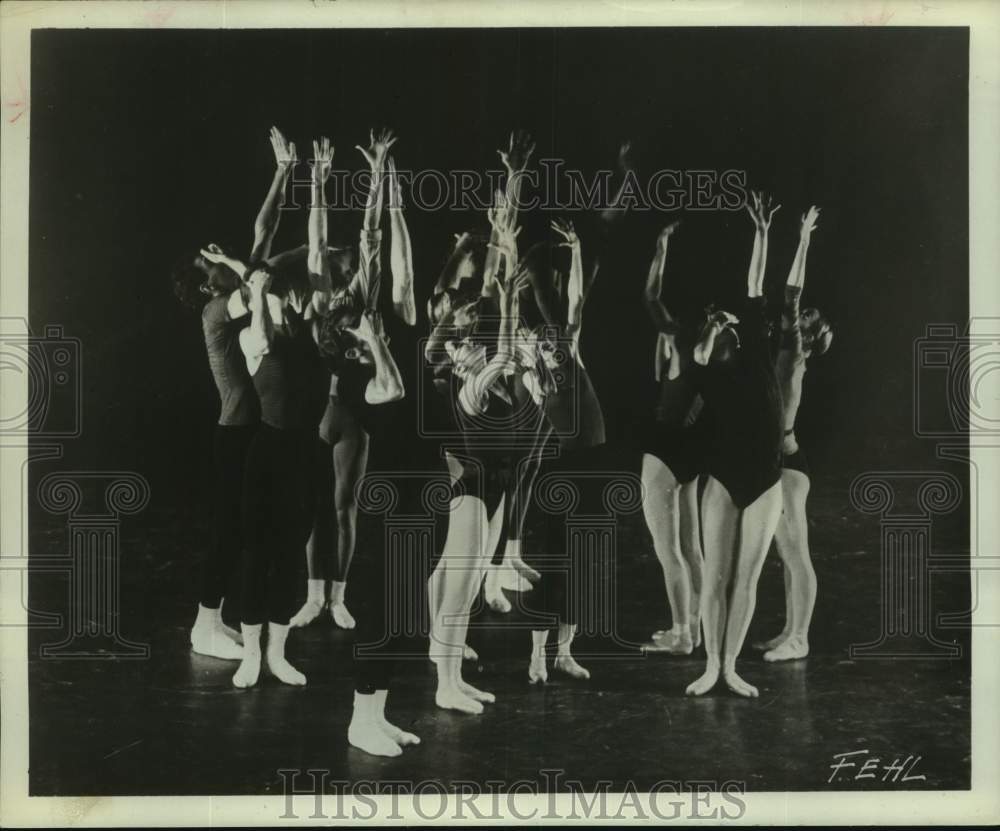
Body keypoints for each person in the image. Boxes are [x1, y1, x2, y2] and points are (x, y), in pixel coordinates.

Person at [173, 126, 297, 661]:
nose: (219, 261)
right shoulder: (216, 309)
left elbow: (260, 241)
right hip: (235, 433)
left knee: (245, 530)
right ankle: (205, 624)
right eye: (210, 264)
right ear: (207, 284)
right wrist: (253, 260)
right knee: (229, 530)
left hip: (251, 431)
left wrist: (281, 174)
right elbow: (258, 269)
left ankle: (219, 620)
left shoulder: (231, 294)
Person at [291, 129, 416, 631]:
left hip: (355, 414)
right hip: (321, 408)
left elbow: (373, 236)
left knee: (344, 506)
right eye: (333, 259)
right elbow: (315, 240)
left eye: (345, 259)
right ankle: (312, 594)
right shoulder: (320, 302)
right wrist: (318, 185)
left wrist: (377, 174)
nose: (338, 260)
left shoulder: (362, 297)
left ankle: (338, 597)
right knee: (312, 505)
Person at [425, 197, 533, 713]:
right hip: (472, 488)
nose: (476, 349)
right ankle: (446, 683)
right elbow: (505, 354)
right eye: (468, 346)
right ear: (458, 356)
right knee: (460, 582)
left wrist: (504, 285)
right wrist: (509, 304)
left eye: (475, 344)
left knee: (453, 577)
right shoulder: (469, 386)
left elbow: (503, 353)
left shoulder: (477, 373)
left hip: (492, 488)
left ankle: (446, 665)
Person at [685, 190, 785, 699]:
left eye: (730, 327)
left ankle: (730, 666)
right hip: (723, 475)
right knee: (714, 578)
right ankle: (708, 667)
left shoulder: (760, 354)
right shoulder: (711, 375)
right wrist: (711, 324)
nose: (726, 331)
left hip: (765, 478)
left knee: (746, 580)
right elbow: (698, 359)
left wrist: (762, 234)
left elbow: (755, 287)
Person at [521, 217, 608, 684]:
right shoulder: (533, 381)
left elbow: (575, 302)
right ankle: (537, 655)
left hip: (592, 466)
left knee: (584, 562)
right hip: (560, 471)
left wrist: (575, 252)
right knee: (555, 562)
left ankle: (565, 652)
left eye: (555, 340)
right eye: (543, 342)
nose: (551, 343)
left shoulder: (573, 355)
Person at [754, 205, 833, 662]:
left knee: (795, 550)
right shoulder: (781, 355)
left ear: (811, 334)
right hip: (779, 458)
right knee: (786, 553)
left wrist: (803, 239)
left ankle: (801, 637)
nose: (800, 319)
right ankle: (789, 631)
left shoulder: (794, 352)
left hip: (787, 462)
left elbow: (790, 295)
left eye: (808, 320)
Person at [639, 221, 706, 655]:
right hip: (692, 450)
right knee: (690, 547)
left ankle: (681, 633)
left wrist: (660, 247)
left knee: (670, 552)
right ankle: (695, 631)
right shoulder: (707, 352)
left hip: (664, 450)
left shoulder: (678, 342)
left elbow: (650, 297)